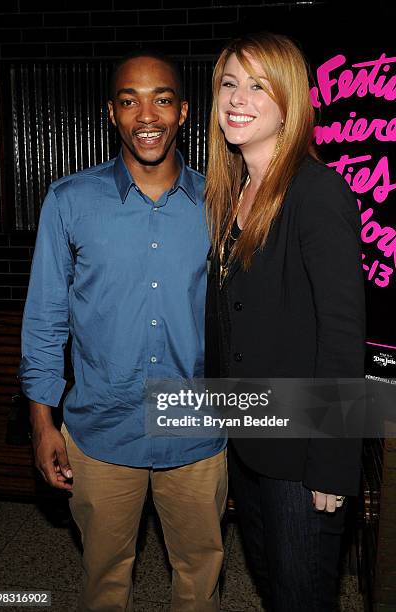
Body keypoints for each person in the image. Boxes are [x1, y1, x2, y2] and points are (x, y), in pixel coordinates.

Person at [20, 50, 227, 612]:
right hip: (101, 431)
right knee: (104, 582)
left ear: (183, 111)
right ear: (112, 113)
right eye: (130, 100)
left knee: (198, 582)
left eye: (161, 99)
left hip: (196, 433)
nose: (147, 115)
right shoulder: (70, 202)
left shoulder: (218, 203)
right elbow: (45, 320)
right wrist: (42, 423)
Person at [205, 33, 365, 611]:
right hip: (251, 444)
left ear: (290, 102)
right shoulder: (234, 192)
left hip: (303, 457)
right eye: (228, 83)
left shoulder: (317, 192)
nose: (237, 98)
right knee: (277, 589)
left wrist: (332, 463)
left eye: (257, 85)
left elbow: (344, 337)